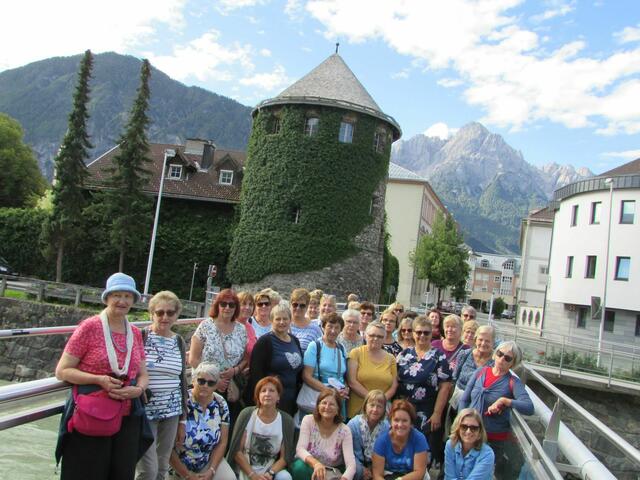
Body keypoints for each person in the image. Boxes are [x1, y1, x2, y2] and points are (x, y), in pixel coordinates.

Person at [55, 272, 150, 480]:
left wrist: (139, 389)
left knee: (121, 474)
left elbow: (143, 374)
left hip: (127, 417)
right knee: (88, 473)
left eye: (128, 296)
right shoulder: (90, 327)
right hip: (93, 415)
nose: (122, 301)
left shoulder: (135, 332)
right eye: (117, 295)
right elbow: (62, 371)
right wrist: (98, 380)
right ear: (107, 298)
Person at [459, 341, 534, 479]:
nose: (502, 359)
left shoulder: (513, 382)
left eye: (508, 358)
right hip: (470, 433)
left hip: (492, 439)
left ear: (513, 363)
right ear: (494, 354)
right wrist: (461, 423)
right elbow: (464, 399)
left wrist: (505, 401)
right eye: (500, 354)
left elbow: (529, 407)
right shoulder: (481, 372)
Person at [137, 291, 188, 480]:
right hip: (145, 411)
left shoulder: (178, 341)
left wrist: (183, 419)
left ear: (176, 315)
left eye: (170, 312)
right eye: (160, 312)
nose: (165, 317)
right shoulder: (141, 337)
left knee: (162, 467)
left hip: (172, 411)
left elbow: (182, 380)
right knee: (147, 470)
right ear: (152, 314)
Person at [396, 316, 452, 471]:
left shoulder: (438, 356)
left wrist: (437, 413)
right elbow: (395, 379)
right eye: (418, 332)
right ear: (413, 333)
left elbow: (445, 387)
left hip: (427, 410)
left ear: (431, 334)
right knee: (401, 445)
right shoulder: (404, 354)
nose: (422, 336)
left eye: (426, 333)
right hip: (403, 408)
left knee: (422, 450)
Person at [189, 288, 247, 421]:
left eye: (231, 305)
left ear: (236, 308)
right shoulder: (206, 326)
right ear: (217, 305)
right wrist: (215, 381)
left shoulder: (241, 330)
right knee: (202, 422)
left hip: (230, 387)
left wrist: (234, 370)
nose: (227, 308)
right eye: (223, 304)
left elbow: (245, 358)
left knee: (225, 423)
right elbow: (193, 359)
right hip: (206, 385)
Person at [169, 362, 234, 479]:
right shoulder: (181, 401)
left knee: (229, 478)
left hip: (207, 460)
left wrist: (212, 470)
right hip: (178, 465)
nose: (205, 385)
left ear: (216, 386)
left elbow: (223, 442)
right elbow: (167, 445)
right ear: (193, 381)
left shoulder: (221, 403)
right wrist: (188, 475)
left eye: (211, 383)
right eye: (201, 381)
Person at [227, 376, 295, 480]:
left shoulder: (286, 421)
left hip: (270, 470)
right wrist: (252, 475)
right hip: (245, 468)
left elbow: (284, 458)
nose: (267, 394)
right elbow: (237, 451)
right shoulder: (247, 414)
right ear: (258, 396)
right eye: (263, 391)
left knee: (285, 477)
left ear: (278, 396)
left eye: (271, 390)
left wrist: (270, 473)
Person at [245, 304, 304, 416]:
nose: (282, 322)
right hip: (270, 400)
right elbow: (256, 374)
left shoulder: (295, 341)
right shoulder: (265, 342)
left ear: (290, 320)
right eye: (278, 319)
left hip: (291, 399)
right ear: (272, 320)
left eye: (285, 319)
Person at [291, 389, 356, 480]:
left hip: (332, 472)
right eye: (324, 403)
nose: (327, 407)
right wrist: (316, 464)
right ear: (318, 406)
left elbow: (351, 464)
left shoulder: (345, 430)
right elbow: (300, 449)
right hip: (309, 466)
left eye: (332, 404)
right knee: (299, 468)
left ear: (338, 409)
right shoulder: (308, 420)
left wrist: (344, 478)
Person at [301, 312, 350, 417]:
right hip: (319, 398)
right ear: (323, 327)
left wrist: (345, 389)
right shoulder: (314, 346)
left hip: (338, 399)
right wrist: (329, 391)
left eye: (337, 328)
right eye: (330, 326)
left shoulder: (341, 348)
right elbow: (306, 376)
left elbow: (344, 375)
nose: (333, 331)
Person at [347, 322, 398, 419]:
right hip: (358, 411)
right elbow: (352, 381)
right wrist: (373, 400)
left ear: (384, 338)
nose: (375, 338)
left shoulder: (391, 358)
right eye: (372, 335)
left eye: (379, 336)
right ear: (365, 336)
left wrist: (380, 401)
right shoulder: (356, 353)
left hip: (381, 410)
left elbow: (394, 386)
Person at [371, 400, 429, 480]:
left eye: (404, 421)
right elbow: (377, 475)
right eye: (396, 420)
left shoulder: (419, 439)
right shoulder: (382, 441)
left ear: (411, 423)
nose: (400, 425)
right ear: (390, 421)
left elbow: (419, 472)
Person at [347, 390, 389, 480]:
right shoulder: (353, 424)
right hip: (356, 461)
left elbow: (386, 452)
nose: (375, 409)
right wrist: (363, 469)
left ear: (384, 409)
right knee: (357, 471)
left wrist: (374, 468)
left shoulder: (386, 427)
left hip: (377, 463)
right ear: (365, 406)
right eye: (372, 405)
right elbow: (349, 452)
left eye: (379, 406)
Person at [444, 408, 494, 480]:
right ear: (458, 428)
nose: (468, 432)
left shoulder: (487, 454)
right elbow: (449, 477)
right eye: (464, 427)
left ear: (480, 432)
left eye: (474, 428)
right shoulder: (450, 445)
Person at [290, 288, 323, 353]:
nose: (298, 308)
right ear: (290, 305)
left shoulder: (315, 329)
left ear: (307, 306)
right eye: (295, 305)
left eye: (302, 305)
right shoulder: (283, 324)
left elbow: (321, 352)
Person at [238, 291, 258, 357]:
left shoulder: (250, 327)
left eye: (250, 304)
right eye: (244, 304)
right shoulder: (230, 325)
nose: (247, 307)